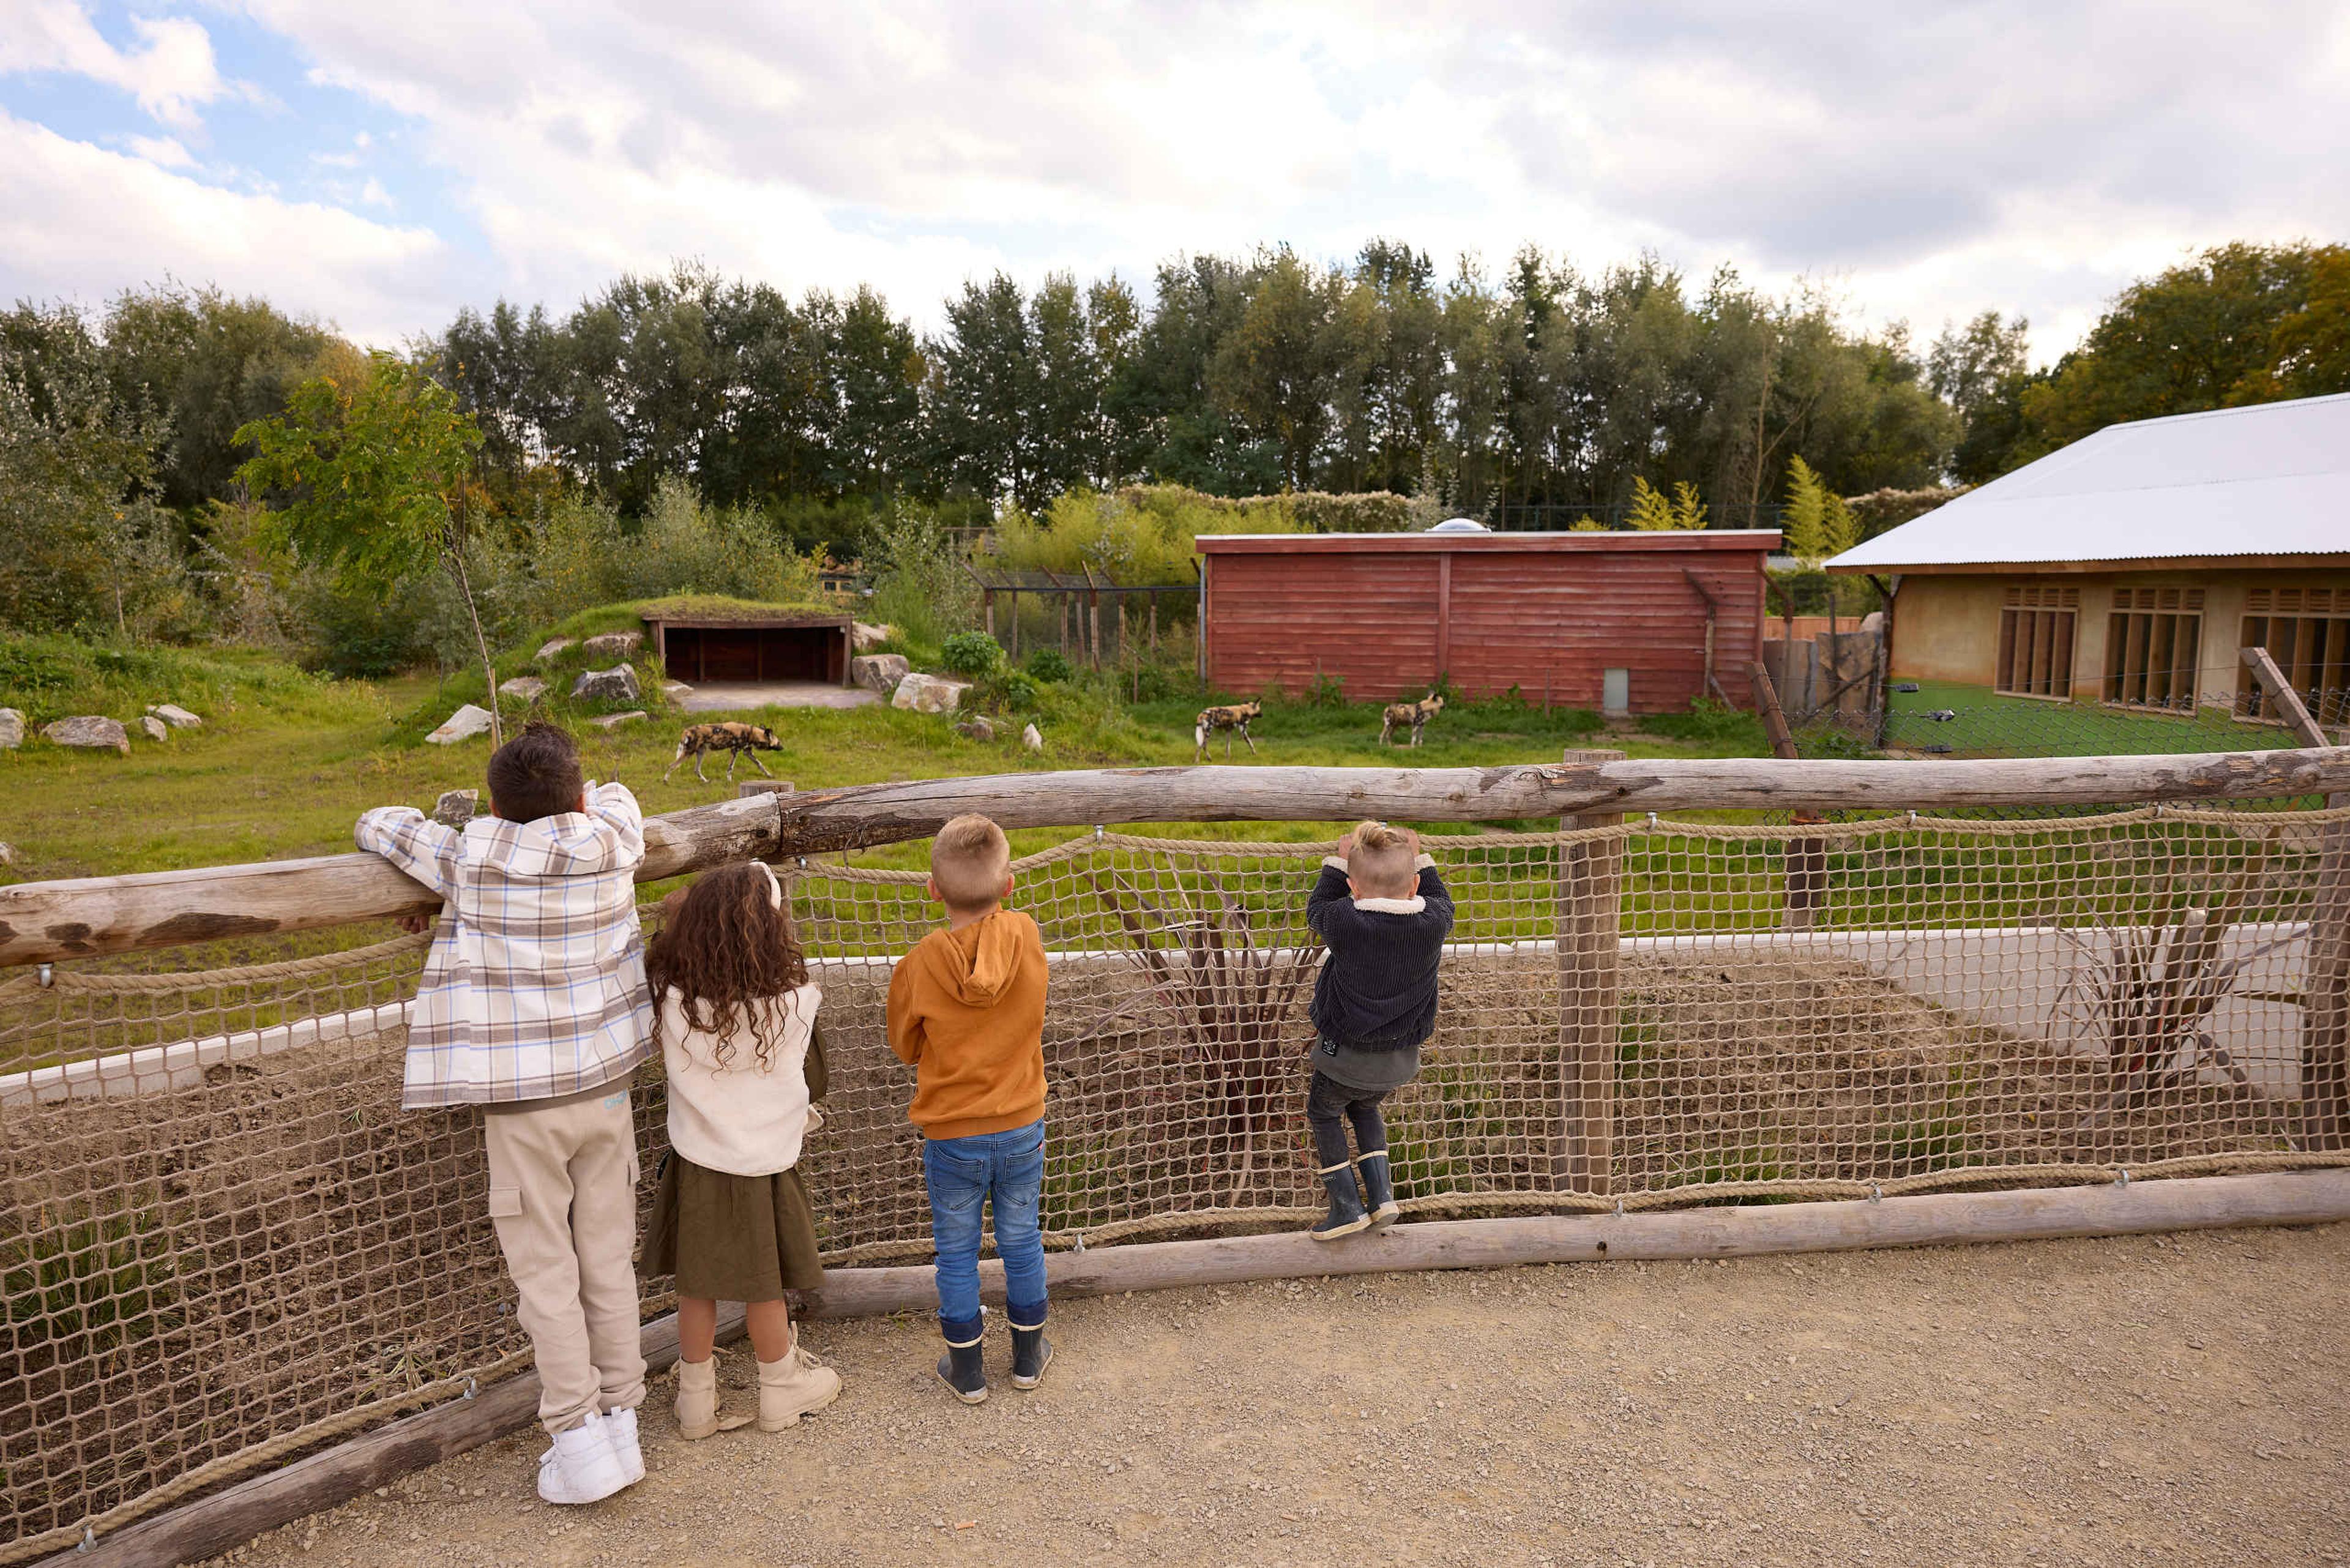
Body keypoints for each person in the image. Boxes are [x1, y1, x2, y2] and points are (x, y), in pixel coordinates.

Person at [355, 721, 653, 1506]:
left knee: (546, 1274)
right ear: (579, 798)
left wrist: (465, 827)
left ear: (490, 803)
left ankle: (577, 1435)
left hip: (522, 1104)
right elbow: (621, 796)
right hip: (607, 1089)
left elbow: (379, 823)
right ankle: (623, 1417)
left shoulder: (468, 856)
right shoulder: (616, 838)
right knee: (607, 1259)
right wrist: (589, 797)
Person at [641, 861, 842, 1436]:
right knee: (763, 1281)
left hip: (696, 1162)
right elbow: (816, 1080)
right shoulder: (794, 1005)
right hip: (764, 1165)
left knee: (696, 1282)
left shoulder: (673, 1000)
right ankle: (780, 1386)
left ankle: (695, 1402)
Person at [885, 813, 1051, 1405]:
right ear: (1009, 886)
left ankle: (968, 1371)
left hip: (952, 1136)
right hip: (1021, 1126)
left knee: (956, 1250)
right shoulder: (1027, 936)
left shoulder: (918, 963)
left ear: (933, 889)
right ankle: (1029, 1359)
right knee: (1021, 1238)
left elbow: (905, 1045)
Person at [1302, 820, 1455, 1240]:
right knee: (1365, 1108)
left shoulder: (1345, 921)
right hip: (1399, 1061)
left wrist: (1337, 860)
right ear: (1415, 885)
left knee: (1323, 1112)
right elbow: (1440, 896)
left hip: (1343, 1055)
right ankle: (1383, 1196)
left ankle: (1347, 1206)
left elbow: (1317, 906)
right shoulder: (1435, 922)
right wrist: (1420, 855)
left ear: (1353, 888)